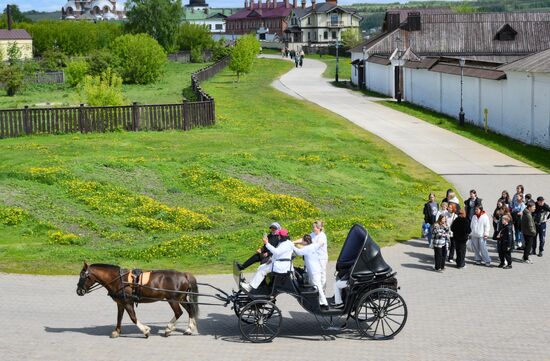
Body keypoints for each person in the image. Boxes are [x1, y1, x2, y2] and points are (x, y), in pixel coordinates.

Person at [292, 234, 328, 309]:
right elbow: (320, 244)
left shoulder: (307, 248)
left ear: (305, 242)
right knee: (314, 285)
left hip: (313, 271)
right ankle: (318, 300)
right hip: (316, 269)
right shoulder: (313, 246)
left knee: (317, 286)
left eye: (303, 241)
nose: (302, 242)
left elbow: (298, 252)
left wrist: (291, 246)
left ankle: (324, 303)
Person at [310, 220, 328, 290]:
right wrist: (294, 242)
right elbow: (304, 239)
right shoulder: (313, 234)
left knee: (322, 274)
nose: (313, 228)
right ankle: (316, 288)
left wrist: (307, 247)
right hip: (315, 258)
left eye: (314, 227)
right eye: (313, 227)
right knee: (315, 273)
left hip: (322, 258)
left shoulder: (322, 236)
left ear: (318, 228)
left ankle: (323, 289)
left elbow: (318, 245)